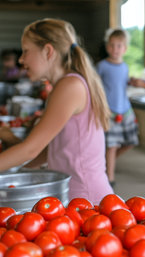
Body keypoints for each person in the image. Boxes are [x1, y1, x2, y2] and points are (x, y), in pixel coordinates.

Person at [0, 18, 113, 204]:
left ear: (48, 51)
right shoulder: (65, 85)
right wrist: (14, 171)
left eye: (26, 51)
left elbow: (30, 149)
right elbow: (51, 151)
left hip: (86, 198)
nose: (21, 59)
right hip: (75, 196)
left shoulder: (69, 86)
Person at [97, 28, 139, 186]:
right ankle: (110, 177)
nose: (115, 49)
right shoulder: (101, 66)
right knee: (112, 145)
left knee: (131, 141)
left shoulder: (125, 66)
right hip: (110, 111)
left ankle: (107, 163)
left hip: (126, 109)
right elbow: (96, 87)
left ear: (125, 48)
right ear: (107, 47)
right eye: (112, 45)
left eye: (119, 46)